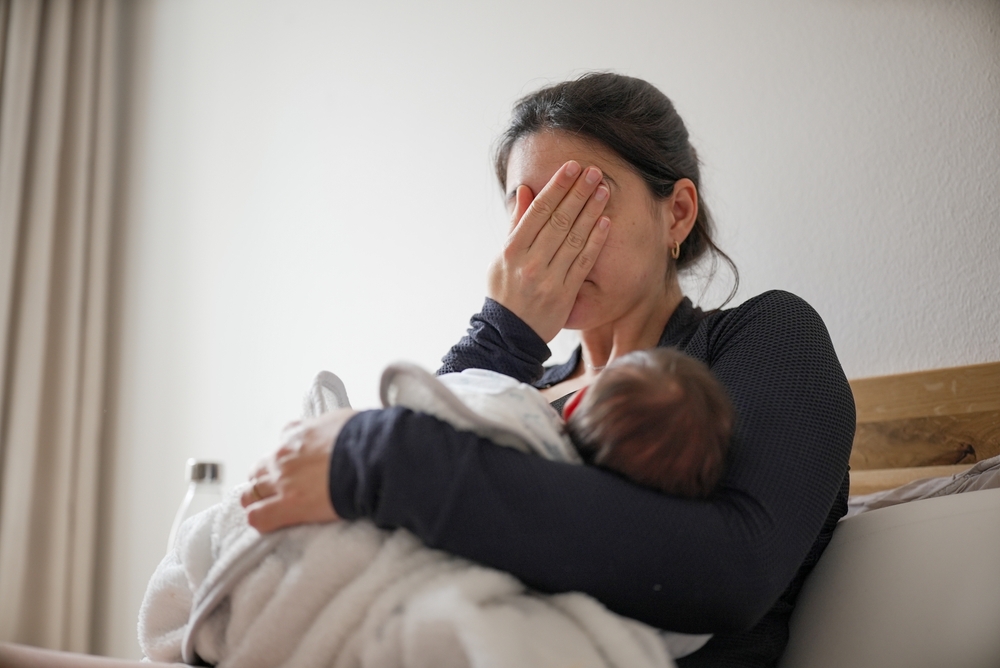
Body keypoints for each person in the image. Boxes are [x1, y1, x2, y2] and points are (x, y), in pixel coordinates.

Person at [244, 72, 856, 668]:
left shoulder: (767, 336)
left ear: (677, 213)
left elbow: (733, 568)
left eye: (580, 199)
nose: (548, 236)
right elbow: (391, 540)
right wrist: (500, 335)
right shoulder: (515, 388)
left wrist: (382, 457)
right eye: (526, 208)